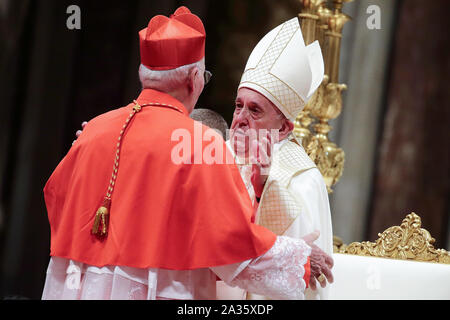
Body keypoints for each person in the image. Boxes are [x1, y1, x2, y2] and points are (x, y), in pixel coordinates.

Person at [42, 7, 333, 300]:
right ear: (195, 79)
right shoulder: (200, 144)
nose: (242, 117)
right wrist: (302, 261)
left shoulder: (94, 131)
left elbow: (56, 199)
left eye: (255, 109)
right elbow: (230, 246)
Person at [220, 16, 334, 300]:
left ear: (283, 127)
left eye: (254, 111)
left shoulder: (302, 180)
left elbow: (303, 276)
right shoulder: (218, 155)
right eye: (238, 106)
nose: (240, 120)